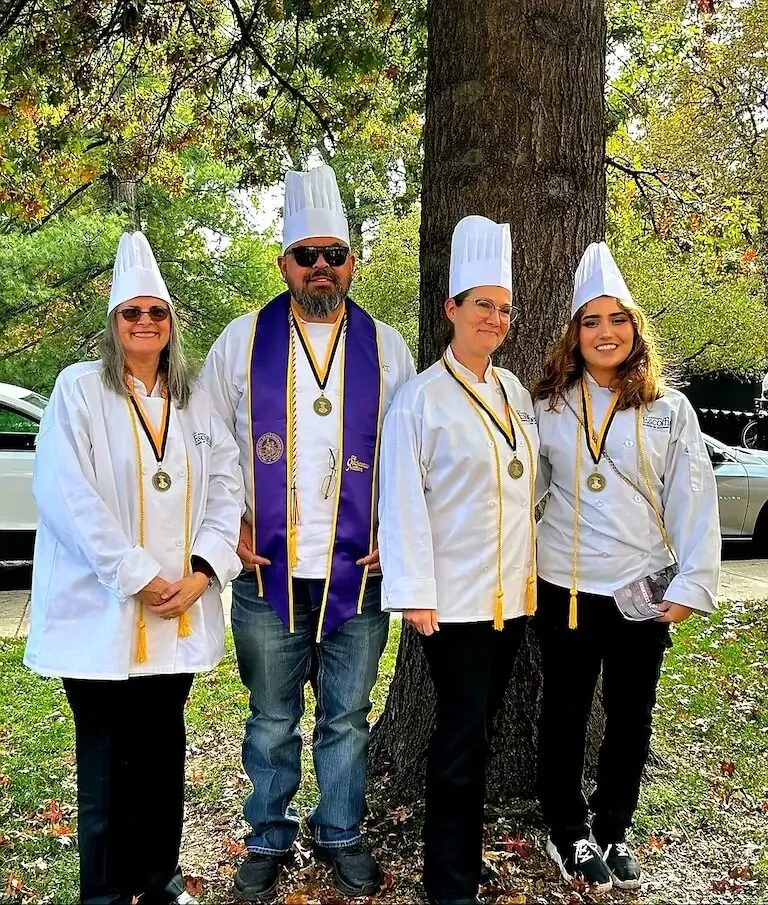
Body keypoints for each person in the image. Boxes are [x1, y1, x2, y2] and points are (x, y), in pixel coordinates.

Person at [201, 165, 415, 902]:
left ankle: (341, 832)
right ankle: (267, 836)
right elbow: (207, 441)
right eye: (306, 255)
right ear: (283, 262)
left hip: (360, 569)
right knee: (271, 717)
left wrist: (401, 529)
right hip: (268, 572)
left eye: (335, 253)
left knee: (348, 717)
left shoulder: (388, 347)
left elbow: (410, 452)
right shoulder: (241, 341)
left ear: (353, 261)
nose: (321, 267)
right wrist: (227, 520)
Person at [24, 232, 244, 905]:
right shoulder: (79, 391)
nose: (146, 322)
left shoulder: (194, 397)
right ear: (114, 323)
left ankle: (158, 876)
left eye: (157, 312)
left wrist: (204, 569)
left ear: (171, 322)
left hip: (177, 611)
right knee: (107, 765)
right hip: (103, 618)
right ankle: (105, 891)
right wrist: (138, 573)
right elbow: (67, 495)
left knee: (161, 759)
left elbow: (226, 484)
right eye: (132, 313)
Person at [533, 242, 721, 893]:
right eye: (591, 321)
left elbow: (692, 497)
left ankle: (613, 825)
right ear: (574, 333)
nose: (605, 332)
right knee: (563, 713)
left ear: (635, 329)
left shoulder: (669, 409)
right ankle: (568, 831)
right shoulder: (550, 404)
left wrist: (693, 581)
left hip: (641, 587)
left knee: (631, 715)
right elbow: (523, 493)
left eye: (617, 320)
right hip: (565, 585)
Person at [378, 216, 539, 905]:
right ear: (451, 309)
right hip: (457, 603)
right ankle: (448, 883)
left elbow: (534, 485)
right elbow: (403, 501)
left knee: (481, 735)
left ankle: (465, 862)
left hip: (513, 596)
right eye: (482, 305)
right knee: (458, 740)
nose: (494, 319)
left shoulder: (516, 393)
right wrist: (416, 592)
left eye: (503, 308)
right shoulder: (419, 399)